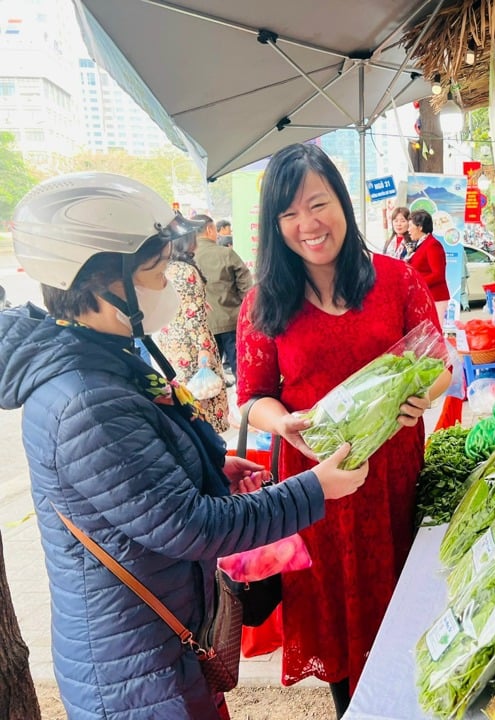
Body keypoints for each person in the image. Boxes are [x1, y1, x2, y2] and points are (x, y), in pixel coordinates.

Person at [0, 171, 369, 719]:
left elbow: (140, 488)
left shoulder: (101, 357)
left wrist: (210, 465)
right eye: (152, 272)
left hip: (159, 648)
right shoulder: (85, 401)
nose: (166, 284)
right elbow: (193, 526)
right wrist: (312, 490)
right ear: (99, 281)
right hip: (134, 677)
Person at [235, 143, 451, 718]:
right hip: (316, 492)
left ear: (343, 203)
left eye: (317, 203)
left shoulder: (397, 279)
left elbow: (440, 366)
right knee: (337, 632)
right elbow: (252, 397)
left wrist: (419, 399)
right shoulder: (263, 303)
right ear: (274, 225)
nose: (307, 224)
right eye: (289, 214)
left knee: (405, 621)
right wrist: (282, 421)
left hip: (392, 486)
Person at [154, 231, 231, 432]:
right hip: (192, 346)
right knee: (205, 399)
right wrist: (204, 350)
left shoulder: (164, 269)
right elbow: (194, 317)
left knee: (184, 400)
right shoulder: (186, 271)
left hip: (170, 343)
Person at [192, 214, 253, 384]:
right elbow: (246, 286)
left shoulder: (188, 259)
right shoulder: (226, 253)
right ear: (210, 229)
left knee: (209, 376)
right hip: (232, 320)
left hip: (204, 327)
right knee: (241, 369)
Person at [407, 209, 450, 322]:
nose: (408, 230)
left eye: (410, 226)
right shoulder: (421, 244)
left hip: (436, 297)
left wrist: (416, 283)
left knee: (435, 334)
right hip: (426, 296)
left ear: (420, 227)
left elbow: (438, 274)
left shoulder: (432, 245)